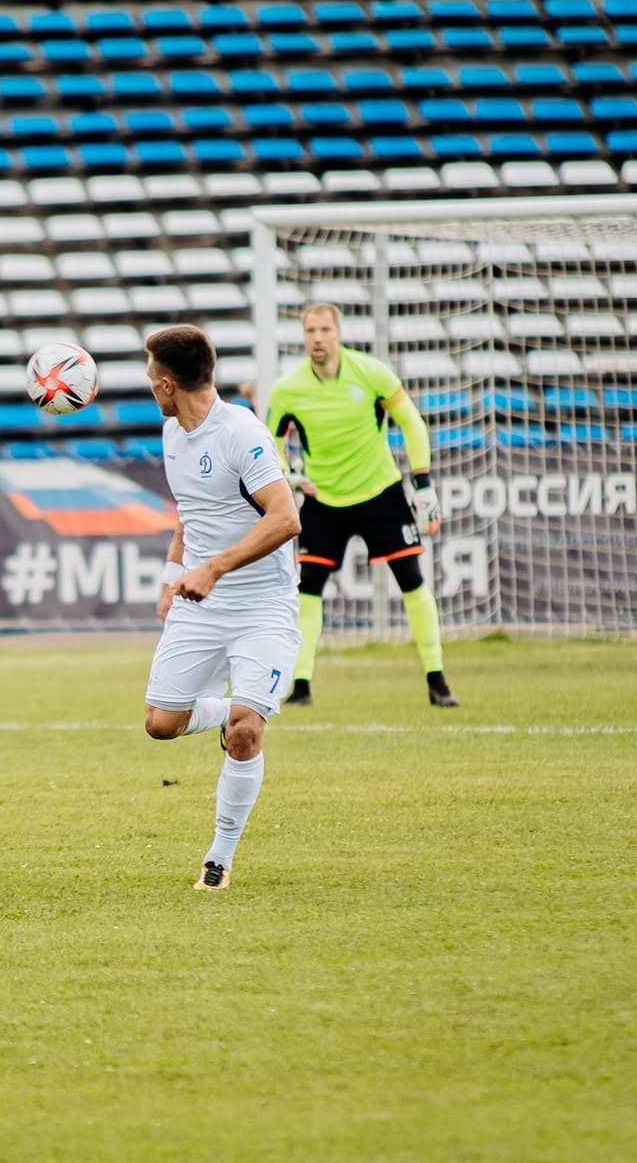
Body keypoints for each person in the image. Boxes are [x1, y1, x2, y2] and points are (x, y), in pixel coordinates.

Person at [141, 325, 302, 892]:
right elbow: (190, 514)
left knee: (245, 733)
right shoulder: (172, 434)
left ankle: (219, 857)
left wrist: (212, 569)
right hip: (200, 606)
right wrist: (172, 579)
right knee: (161, 725)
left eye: (150, 375)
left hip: (262, 606)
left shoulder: (240, 433)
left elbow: (285, 518)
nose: (149, 385)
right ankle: (236, 705)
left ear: (167, 383)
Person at [265, 302, 460, 709]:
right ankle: (301, 685)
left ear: (338, 333)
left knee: (412, 580)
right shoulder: (287, 389)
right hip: (323, 500)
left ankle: (437, 680)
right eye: (310, 331)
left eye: (325, 330)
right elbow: (271, 444)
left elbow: (412, 422)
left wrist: (423, 484)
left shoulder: (371, 373)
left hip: (380, 492)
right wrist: (288, 475)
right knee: (307, 590)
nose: (317, 338)